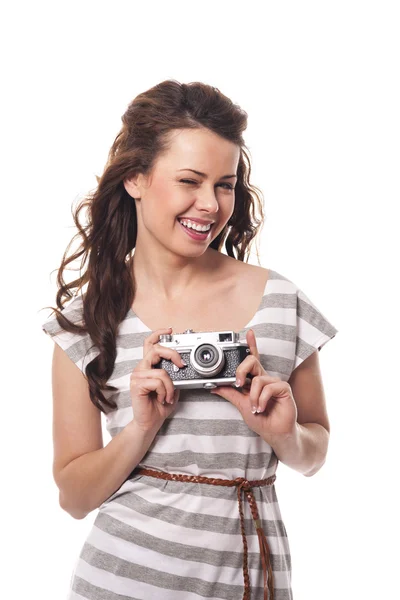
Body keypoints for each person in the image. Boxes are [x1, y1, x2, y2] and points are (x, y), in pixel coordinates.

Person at [41, 79, 338, 600]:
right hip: (120, 581)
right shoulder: (87, 321)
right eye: (190, 181)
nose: (210, 204)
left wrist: (283, 434)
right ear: (136, 177)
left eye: (225, 184)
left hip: (252, 582)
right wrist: (140, 428)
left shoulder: (280, 301)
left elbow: (313, 456)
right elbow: (73, 496)